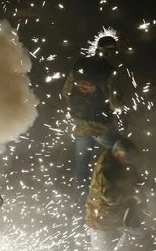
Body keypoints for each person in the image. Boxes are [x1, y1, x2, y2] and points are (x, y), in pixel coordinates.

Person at [78, 138, 143, 251]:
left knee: (136, 233)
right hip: (100, 220)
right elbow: (111, 197)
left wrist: (136, 184)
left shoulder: (116, 160)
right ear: (118, 154)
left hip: (114, 216)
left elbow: (130, 174)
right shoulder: (105, 171)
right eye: (127, 158)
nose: (129, 161)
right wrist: (131, 197)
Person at [62, 36, 124, 203]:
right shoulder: (110, 71)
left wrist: (77, 109)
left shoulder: (80, 63)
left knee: (81, 167)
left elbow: (66, 91)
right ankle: (115, 194)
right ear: (110, 51)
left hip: (80, 122)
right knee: (123, 149)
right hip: (97, 124)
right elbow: (115, 103)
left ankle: (79, 205)